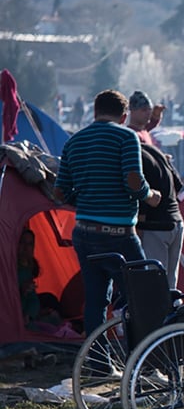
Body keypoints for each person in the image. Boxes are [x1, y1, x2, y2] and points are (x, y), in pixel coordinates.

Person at [54, 89, 161, 335]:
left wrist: (84, 199)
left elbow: (59, 194)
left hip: (83, 232)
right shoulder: (126, 137)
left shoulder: (74, 141)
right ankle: (146, 358)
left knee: (96, 300)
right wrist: (150, 196)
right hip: (119, 234)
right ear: (124, 117)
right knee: (141, 296)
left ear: (94, 112)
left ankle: (97, 362)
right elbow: (133, 180)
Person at [136, 143, 184, 289]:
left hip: (154, 226)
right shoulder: (157, 152)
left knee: (155, 283)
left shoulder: (135, 158)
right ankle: (173, 309)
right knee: (171, 283)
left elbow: (142, 199)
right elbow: (178, 185)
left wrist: (138, 232)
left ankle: (158, 311)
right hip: (177, 221)